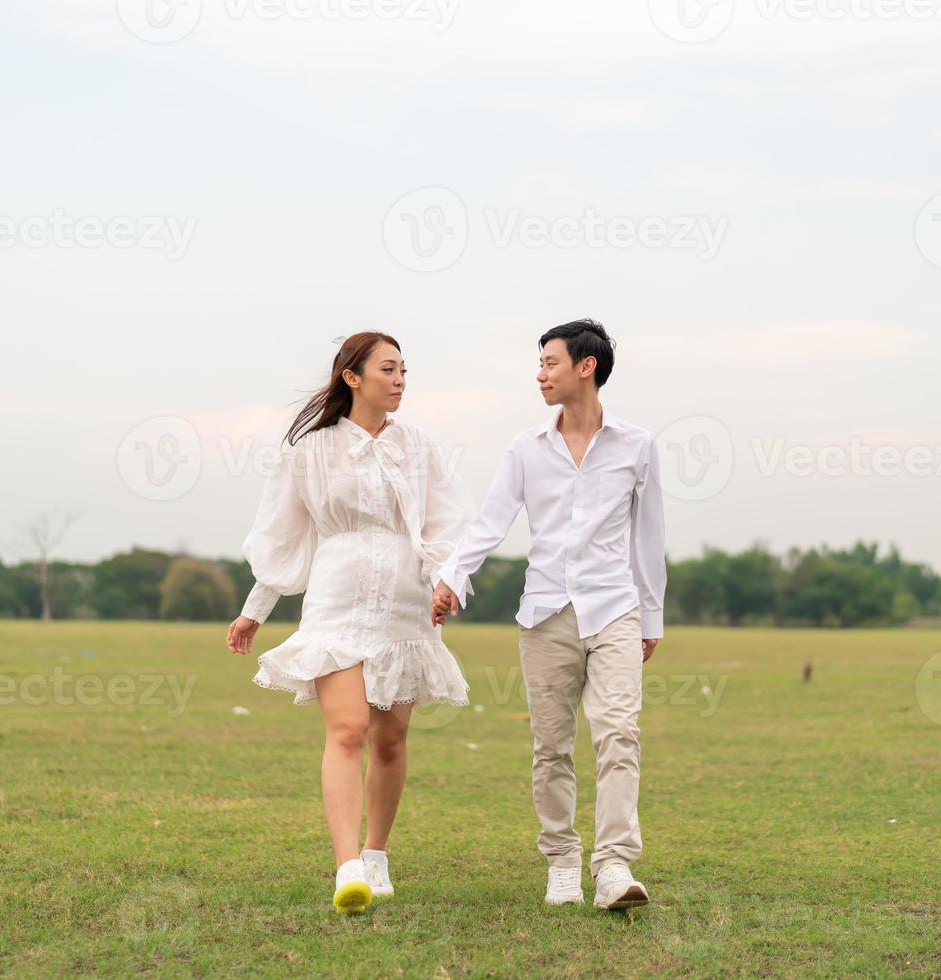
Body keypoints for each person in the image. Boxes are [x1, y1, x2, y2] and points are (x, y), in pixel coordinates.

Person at [227, 331, 471, 915]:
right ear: (352, 377)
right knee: (347, 730)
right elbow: (289, 536)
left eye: (405, 371)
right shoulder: (309, 451)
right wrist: (255, 609)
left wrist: (448, 584)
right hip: (336, 600)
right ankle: (347, 867)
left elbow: (445, 524)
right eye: (388, 369)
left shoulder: (421, 447)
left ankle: (377, 852)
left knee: (390, 738)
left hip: (405, 604)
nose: (400, 380)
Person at [433, 318, 666, 911]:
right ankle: (561, 861)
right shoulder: (525, 449)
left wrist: (652, 616)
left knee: (619, 733)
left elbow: (648, 536)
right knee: (552, 746)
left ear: (585, 367)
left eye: (549, 363)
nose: (540, 375)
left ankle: (613, 866)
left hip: (615, 608)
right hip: (545, 613)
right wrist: (455, 578)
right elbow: (491, 521)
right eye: (539, 365)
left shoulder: (637, 445)